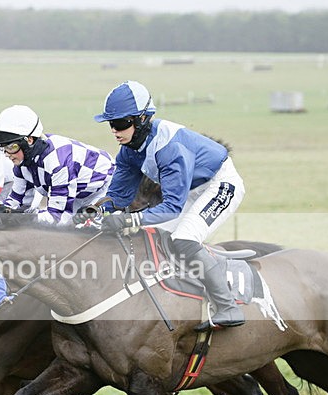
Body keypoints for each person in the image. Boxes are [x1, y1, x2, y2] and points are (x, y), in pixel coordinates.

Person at [94, 80, 246, 332]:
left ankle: (228, 305)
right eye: (111, 124)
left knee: (184, 239)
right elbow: (118, 197)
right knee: (157, 235)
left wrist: (130, 219)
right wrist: (100, 212)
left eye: (120, 124)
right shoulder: (128, 151)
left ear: (142, 119)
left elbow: (171, 207)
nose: (114, 131)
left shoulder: (169, 148)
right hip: (192, 191)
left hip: (220, 185)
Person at [0, 105, 114, 226]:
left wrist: (16, 219)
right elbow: (18, 201)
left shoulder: (58, 163)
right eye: (3, 148)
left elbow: (57, 218)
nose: (7, 154)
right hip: (77, 196)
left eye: (11, 147)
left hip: (105, 190)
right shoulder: (22, 161)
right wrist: (1, 213)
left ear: (29, 140)